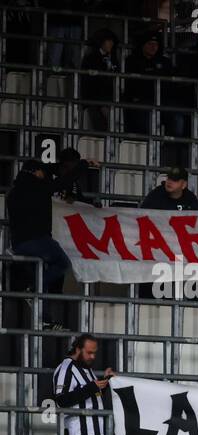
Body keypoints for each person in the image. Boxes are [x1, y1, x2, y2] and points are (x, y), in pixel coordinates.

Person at [53, 334, 114, 435]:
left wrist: (105, 382)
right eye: (89, 352)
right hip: (78, 434)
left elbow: (90, 396)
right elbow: (62, 400)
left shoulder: (86, 369)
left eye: (94, 353)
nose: (92, 356)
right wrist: (92, 387)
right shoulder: (66, 368)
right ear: (78, 349)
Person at [6, 160, 71, 294]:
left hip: (18, 243)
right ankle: (34, 287)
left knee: (40, 274)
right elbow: (63, 182)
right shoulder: (39, 187)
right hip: (39, 240)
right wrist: (84, 164)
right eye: (42, 171)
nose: (44, 174)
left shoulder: (12, 192)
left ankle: (41, 307)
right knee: (63, 263)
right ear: (36, 172)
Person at [123, 31, 172, 136]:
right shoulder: (131, 61)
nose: (153, 47)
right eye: (150, 44)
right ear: (142, 45)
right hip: (140, 103)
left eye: (156, 44)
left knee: (177, 119)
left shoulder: (166, 62)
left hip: (163, 102)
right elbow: (129, 86)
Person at [78, 28, 120, 132]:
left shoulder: (114, 58)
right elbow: (88, 83)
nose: (111, 43)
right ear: (101, 42)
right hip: (95, 99)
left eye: (112, 41)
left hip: (111, 98)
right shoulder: (91, 58)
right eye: (108, 41)